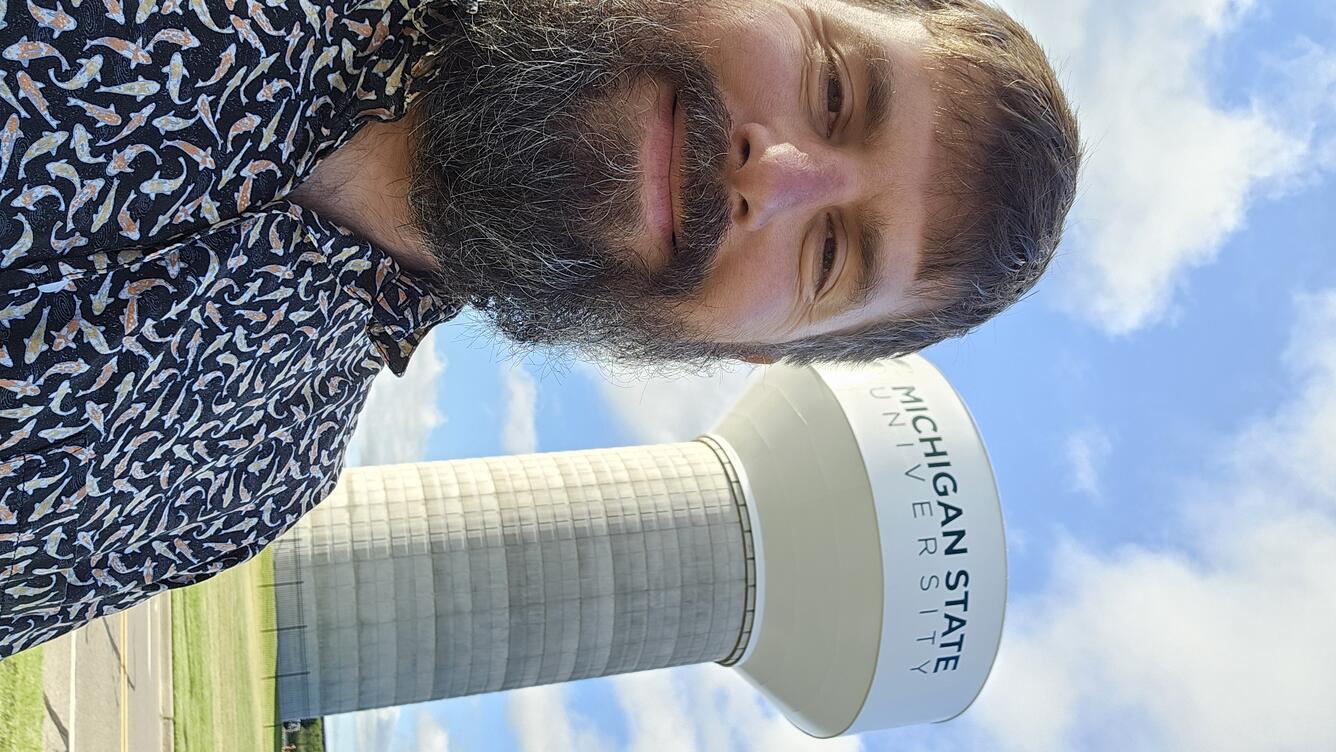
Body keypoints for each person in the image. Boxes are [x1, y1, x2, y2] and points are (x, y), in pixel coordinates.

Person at [0, 0, 1080, 657]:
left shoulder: (243, 482)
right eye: (834, 87)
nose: (777, 173)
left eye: (831, 255)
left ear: (745, 348)